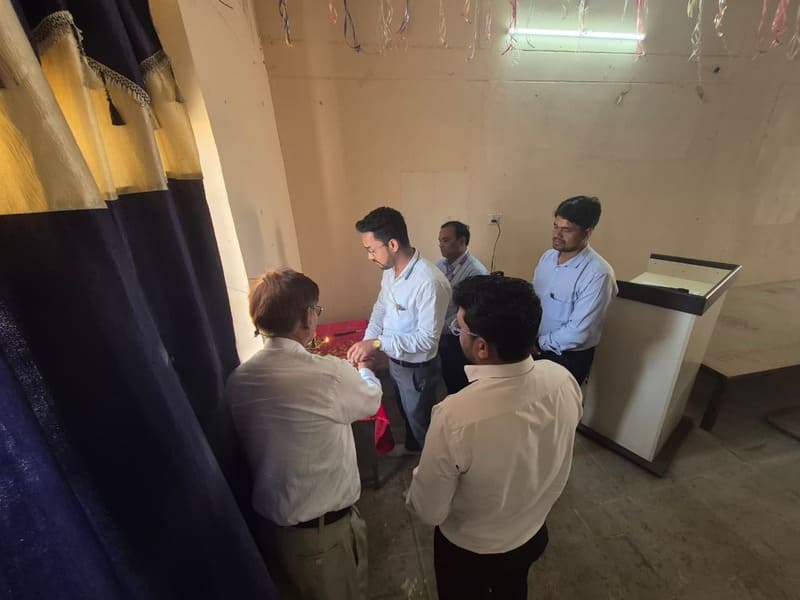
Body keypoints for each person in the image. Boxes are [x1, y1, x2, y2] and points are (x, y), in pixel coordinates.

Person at [406, 275, 583, 599]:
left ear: (482, 347)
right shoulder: (562, 379)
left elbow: (430, 511)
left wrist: (420, 478)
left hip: (472, 551)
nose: (457, 333)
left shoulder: (455, 415)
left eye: (460, 328)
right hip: (531, 532)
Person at [225, 268, 381, 600]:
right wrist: (366, 369)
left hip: (273, 529)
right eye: (316, 309)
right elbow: (371, 401)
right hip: (323, 535)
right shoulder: (328, 375)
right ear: (307, 318)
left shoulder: (238, 379)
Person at [347, 207, 450, 455]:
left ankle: (432, 463)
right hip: (396, 361)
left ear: (392, 244)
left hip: (417, 368)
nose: (370, 257)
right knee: (405, 411)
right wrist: (368, 341)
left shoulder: (429, 282)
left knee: (421, 422)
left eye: (372, 249)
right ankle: (414, 448)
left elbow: (426, 341)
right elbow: (381, 307)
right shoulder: (390, 272)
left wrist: (377, 344)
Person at [532, 195, 617, 385]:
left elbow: (579, 332)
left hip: (566, 357)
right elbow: (534, 299)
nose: (557, 234)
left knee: (557, 403)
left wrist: (537, 344)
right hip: (534, 345)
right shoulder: (548, 258)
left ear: (588, 232)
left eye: (567, 230)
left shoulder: (598, 274)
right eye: (555, 226)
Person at [435, 220, 489, 394]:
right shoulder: (440, 266)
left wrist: (442, 327)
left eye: (446, 240)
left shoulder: (475, 272)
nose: (441, 245)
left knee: (461, 382)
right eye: (440, 241)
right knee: (448, 377)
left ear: (461, 241)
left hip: (460, 337)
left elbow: (473, 312)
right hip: (441, 334)